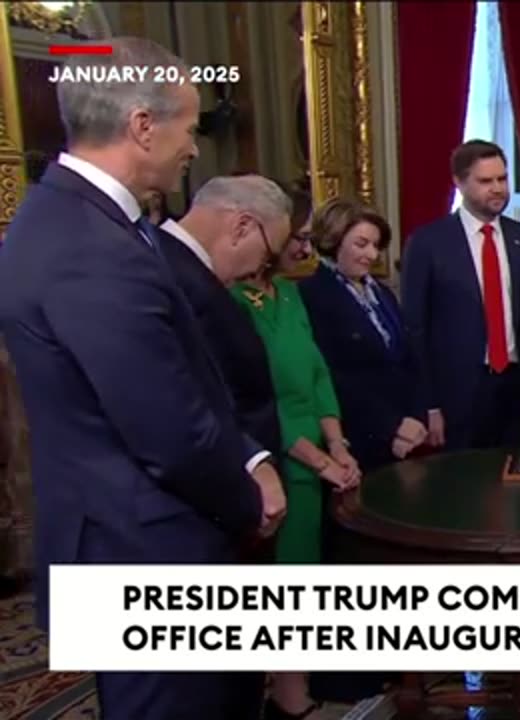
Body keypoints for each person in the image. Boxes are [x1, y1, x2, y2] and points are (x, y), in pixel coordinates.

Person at [0, 37, 285, 719]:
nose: (194, 147)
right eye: (187, 128)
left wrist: (247, 452)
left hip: (129, 539)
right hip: (145, 552)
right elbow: (169, 429)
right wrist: (252, 501)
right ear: (141, 126)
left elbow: (180, 374)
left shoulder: (71, 219)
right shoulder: (88, 245)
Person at [232, 206, 360, 719]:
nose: (307, 249)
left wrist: (339, 443)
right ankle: (288, 696)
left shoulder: (290, 293)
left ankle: (304, 681)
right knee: (286, 583)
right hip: (278, 458)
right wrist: (318, 460)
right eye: (298, 239)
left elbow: (316, 373)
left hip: (318, 450)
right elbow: (258, 402)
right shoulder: (233, 301)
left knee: (314, 575)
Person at [401, 140, 520, 450]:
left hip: (513, 386)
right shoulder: (428, 243)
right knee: (463, 485)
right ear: (459, 183)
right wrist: (428, 405)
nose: (497, 189)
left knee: (510, 479)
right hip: (456, 393)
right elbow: (415, 330)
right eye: (486, 181)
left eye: (502, 179)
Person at [155, 175, 292, 458]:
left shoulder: (178, 265)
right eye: (267, 256)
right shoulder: (170, 275)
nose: (258, 269)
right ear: (242, 227)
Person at [299, 198, 428, 470]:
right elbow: (334, 377)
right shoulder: (313, 295)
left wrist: (416, 418)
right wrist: (392, 426)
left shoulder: (382, 293)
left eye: (376, 246)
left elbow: (407, 361)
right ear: (334, 241)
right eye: (361, 244)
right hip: (358, 438)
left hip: (405, 438)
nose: (372, 254)